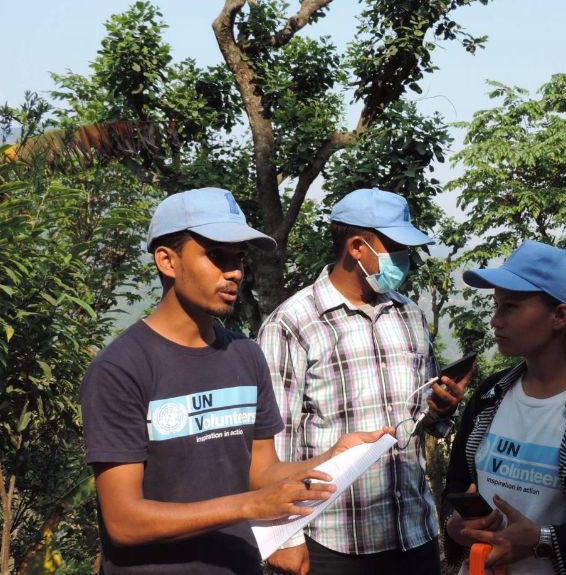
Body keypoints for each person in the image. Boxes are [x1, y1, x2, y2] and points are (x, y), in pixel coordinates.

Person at [80, 187, 389, 574]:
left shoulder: (245, 355)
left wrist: (334, 458)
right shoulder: (122, 369)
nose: (235, 272)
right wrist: (248, 506)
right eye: (216, 256)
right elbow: (125, 522)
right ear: (167, 261)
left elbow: (261, 472)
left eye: (239, 258)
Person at [259, 188, 473, 575]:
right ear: (357, 246)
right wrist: (285, 538)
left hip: (414, 534)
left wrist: (442, 408)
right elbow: (275, 446)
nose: (405, 260)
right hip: (333, 542)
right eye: (395, 247)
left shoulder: (408, 315)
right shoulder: (293, 324)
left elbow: (421, 420)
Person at [443, 240, 566, 575]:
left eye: (510, 306)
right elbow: (456, 488)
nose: (495, 320)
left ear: (559, 316)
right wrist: (457, 526)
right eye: (496, 306)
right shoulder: (489, 396)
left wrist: (544, 539)